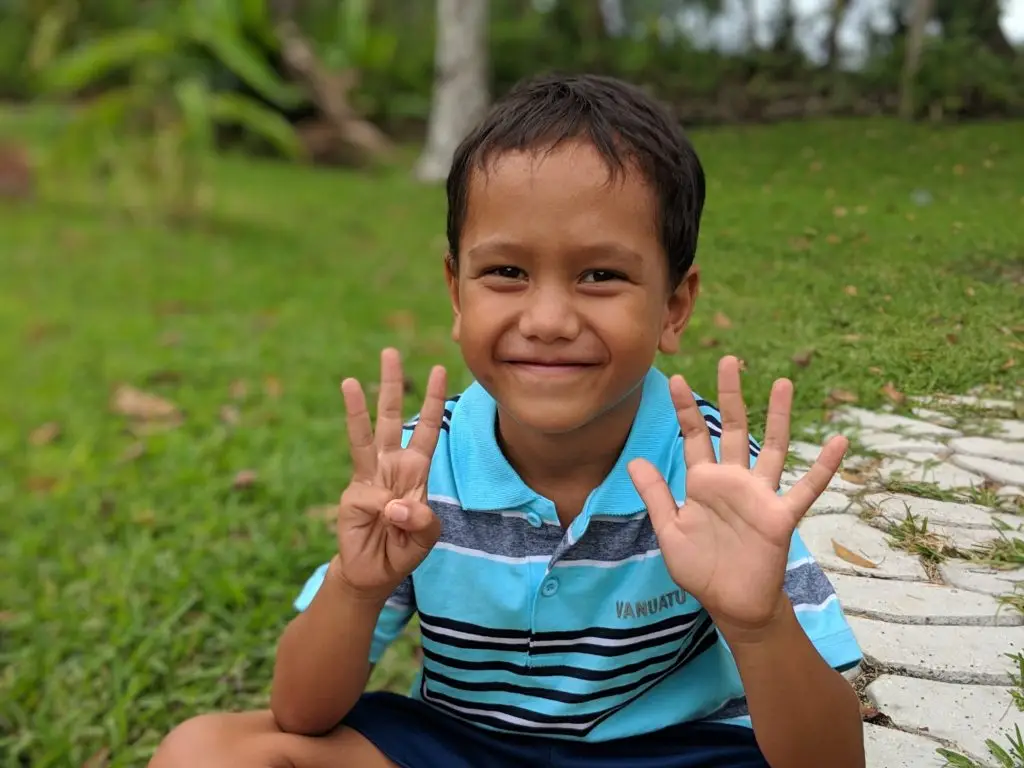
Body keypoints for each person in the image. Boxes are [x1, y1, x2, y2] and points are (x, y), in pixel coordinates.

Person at [149, 73, 865, 768]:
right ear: (456, 292)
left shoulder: (720, 481)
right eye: (507, 273)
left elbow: (833, 761)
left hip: (669, 751)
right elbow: (300, 712)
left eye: (600, 276)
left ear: (674, 307)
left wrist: (758, 623)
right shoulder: (417, 470)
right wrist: (356, 587)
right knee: (202, 753)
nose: (547, 320)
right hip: (461, 744)